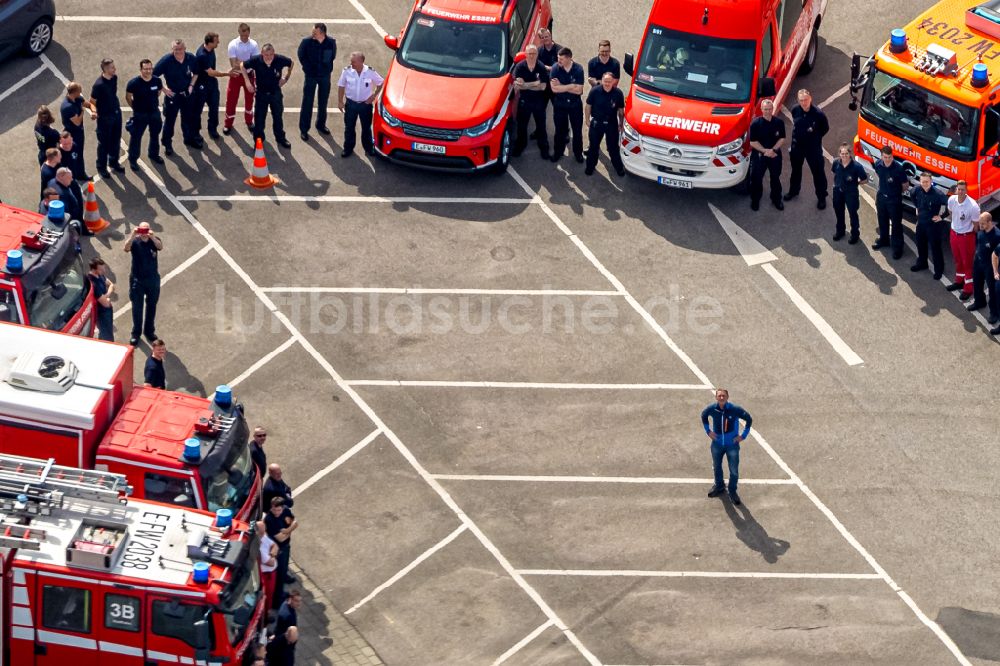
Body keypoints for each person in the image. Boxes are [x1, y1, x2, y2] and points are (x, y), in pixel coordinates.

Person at [700, 388, 752, 506]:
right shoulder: (712, 409)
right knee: (716, 466)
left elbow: (749, 419)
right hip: (717, 444)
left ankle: (732, 491)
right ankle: (719, 486)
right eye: (719, 396)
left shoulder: (735, 409)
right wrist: (708, 431)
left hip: (732, 445)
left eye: (723, 396)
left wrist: (743, 436)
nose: (721, 398)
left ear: (727, 397)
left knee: (733, 470)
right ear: (716, 398)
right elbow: (704, 415)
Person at [242, 43, 294, 148]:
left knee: (278, 117)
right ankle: (258, 140)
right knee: (259, 119)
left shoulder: (279, 59)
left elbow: (291, 63)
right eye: (266, 55)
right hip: (261, 94)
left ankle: (280, 138)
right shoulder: (256, 60)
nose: (269, 57)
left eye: (271, 54)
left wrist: (286, 77)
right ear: (262, 54)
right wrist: (247, 82)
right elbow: (242, 66)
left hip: (275, 93)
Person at [784, 89, 829, 209]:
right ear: (798, 101)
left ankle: (821, 197)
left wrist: (814, 138)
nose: (804, 103)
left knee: (818, 173)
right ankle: (793, 191)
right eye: (801, 100)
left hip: (813, 149)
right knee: (795, 171)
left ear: (810, 99)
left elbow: (825, 128)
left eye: (806, 100)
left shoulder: (819, 114)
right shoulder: (795, 110)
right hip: (797, 147)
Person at [153, 39, 199, 154]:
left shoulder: (190, 58)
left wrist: (191, 86)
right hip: (173, 95)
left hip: (186, 94)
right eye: (175, 50)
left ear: (185, 48)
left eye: (180, 49)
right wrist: (163, 89)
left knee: (188, 118)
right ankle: (167, 143)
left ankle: (188, 139)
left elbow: (196, 73)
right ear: (172, 49)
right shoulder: (166, 61)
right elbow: (153, 75)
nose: (178, 52)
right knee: (170, 121)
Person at [336, 51, 383, 157]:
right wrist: (340, 101)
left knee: (366, 128)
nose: (351, 64)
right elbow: (341, 86)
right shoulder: (347, 71)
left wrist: (374, 96)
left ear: (361, 61)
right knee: (349, 128)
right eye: (351, 61)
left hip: (365, 105)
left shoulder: (370, 72)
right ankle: (348, 148)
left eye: (354, 62)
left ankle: (368, 148)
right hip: (351, 104)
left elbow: (380, 83)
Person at [123, 221, 162, 346]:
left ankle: (149, 331)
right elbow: (126, 248)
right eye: (142, 230)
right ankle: (136, 333)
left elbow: (160, 246)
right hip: (137, 280)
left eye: (146, 230)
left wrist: (152, 236)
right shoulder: (135, 241)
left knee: (152, 306)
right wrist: (133, 234)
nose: (144, 233)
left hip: (152, 279)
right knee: (137, 308)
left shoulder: (153, 240)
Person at [298, 22, 337, 141]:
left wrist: (326, 69)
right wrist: (308, 69)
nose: (312, 34)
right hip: (311, 76)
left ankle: (320, 124)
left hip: (324, 76)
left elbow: (332, 56)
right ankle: (304, 129)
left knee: (323, 101)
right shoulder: (306, 42)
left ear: (322, 33)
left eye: (315, 32)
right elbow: (301, 55)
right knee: (307, 102)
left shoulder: (331, 42)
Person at [512, 45, 550, 160]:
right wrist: (534, 84)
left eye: (534, 53)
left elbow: (543, 87)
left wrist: (526, 85)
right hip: (525, 101)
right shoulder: (520, 67)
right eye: (529, 54)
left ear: (537, 55)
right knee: (522, 126)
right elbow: (518, 86)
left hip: (539, 101)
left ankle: (544, 148)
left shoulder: (541, 67)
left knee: (541, 126)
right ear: (526, 55)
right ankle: (520, 146)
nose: (532, 56)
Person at [125, 59, 165, 169]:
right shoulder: (133, 83)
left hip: (154, 112)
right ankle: (133, 159)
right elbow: (128, 97)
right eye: (145, 69)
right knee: (136, 137)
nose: (148, 71)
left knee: (155, 134)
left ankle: (153, 154)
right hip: (140, 114)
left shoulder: (157, 81)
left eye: (150, 69)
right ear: (140, 70)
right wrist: (135, 108)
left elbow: (158, 92)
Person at [584, 72, 626, 176]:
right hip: (597, 123)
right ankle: (590, 167)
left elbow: (621, 111)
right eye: (605, 81)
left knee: (613, 148)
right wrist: (587, 120)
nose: (607, 83)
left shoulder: (618, 93)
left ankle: (619, 168)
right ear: (602, 81)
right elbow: (588, 106)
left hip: (611, 124)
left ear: (613, 82)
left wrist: (621, 124)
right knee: (593, 147)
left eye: (609, 81)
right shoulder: (595, 91)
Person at [908, 172, 949, 279]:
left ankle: (939, 270)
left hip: (933, 225)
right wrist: (917, 207)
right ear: (920, 181)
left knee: (935, 248)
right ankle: (922, 263)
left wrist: (942, 216)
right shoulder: (916, 190)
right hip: (921, 223)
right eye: (922, 181)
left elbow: (950, 205)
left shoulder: (938, 194)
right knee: (921, 245)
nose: (925, 183)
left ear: (931, 182)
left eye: (927, 181)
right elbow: (912, 195)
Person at [748, 98, 785, 211]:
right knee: (756, 179)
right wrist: (765, 151)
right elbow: (753, 142)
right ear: (761, 109)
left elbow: (782, 138)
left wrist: (773, 150)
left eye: (769, 109)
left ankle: (776, 199)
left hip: (775, 154)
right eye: (765, 109)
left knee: (775, 178)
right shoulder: (755, 124)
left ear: (773, 109)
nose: (768, 111)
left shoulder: (779, 122)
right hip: (759, 156)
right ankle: (755, 200)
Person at [90, 58, 125, 178]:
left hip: (116, 114)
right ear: (105, 69)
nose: (114, 69)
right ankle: (101, 166)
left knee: (116, 139)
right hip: (105, 118)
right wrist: (94, 112)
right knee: (104, 143)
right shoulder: (98, 85)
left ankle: (114, 161)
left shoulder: (114, 78)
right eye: (112, 67)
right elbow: (92, 101)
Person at [945, 180, 980, 300]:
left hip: (966, 237)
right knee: (958, 259)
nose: (960, 192)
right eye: (959, 189)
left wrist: (970, 235)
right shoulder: (951, 200)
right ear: (956, 189)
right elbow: (950, 213)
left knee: (967, 263)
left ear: (966, 190)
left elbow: (976, 225)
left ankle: (968, 288)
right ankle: (959, 281)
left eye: (963, 190)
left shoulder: (973, 206)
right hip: (954, 234)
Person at [550, 47, 585, 164]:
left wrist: (563, 86)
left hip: (575, 105)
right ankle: (558, 152)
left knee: (577, 131)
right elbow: (554, 89)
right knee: (559, 130)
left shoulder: (578, 69)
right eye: (558, 58)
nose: (558, 61)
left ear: (569, 58)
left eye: (561, 59)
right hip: (560, 105)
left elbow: (579, 91)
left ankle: (578, 153)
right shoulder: (555, 68)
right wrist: (571, 86)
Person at [224, 23, 260, 135]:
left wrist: (240, 63)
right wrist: (246, 64)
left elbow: (254, 63)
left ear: (249, 33)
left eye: (247, 35)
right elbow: (233, 64)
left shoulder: (253, 44)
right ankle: (228, 123)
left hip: (249, 75)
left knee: (250, 99)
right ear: (239, 33)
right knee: (231, 99)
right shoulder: (233, 44)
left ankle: (249, 120)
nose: (245, 37)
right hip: (235, 75)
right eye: (243, 35)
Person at [872, 146, 907, 258]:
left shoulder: (898, 168)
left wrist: (894, 192)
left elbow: (905, 185)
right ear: (881, 156)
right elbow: (879, 175)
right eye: (885, 157)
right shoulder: (878, 164)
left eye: (889, 157)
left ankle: (897, 248)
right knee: (882, 220)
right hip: (882, 197)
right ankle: (884, 240)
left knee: (896, 224)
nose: (887, 159)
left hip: (894, 199)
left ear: (892, 156)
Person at [264, 497, 298, 609]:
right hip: (278, 551)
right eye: (274, 510)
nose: (277, 513)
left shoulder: (286, 510)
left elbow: (295, 522)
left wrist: (287, 530)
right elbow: (280, 539)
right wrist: (291, 529)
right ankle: (276, 602)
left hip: (286, 547)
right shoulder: (269, 519)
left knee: (283, 573)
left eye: (279, 510)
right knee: (279, 576)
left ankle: (280, 594)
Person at [193, 33, 228, 141]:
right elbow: (211, 72)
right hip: (202, 86)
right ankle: (195, 132)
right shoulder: (202, 55)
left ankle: (212, 128)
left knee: (214, 108)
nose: (218, 42)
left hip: (212, 84)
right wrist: (226, 74)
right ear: (210, 43)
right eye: (216, 41)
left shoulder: (210, 49)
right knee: (197, 110)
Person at [830, 143, 867, 243]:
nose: (844, 156)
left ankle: (855, 234)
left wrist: (856, 183)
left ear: (850, 154)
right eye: (842, 154)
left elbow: (865, 179)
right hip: (838, 191)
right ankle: (840, 231)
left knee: (853, 214)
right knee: (839, 212)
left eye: (846, 154)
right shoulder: (836, 162)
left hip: (851, 193)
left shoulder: (857, 166)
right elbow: (834, 172)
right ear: (839, 154)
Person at [969, 212, 1000, 324]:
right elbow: (978, 243)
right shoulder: (981, 231)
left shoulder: (997, 236)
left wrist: (996, 269)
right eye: (980, 223)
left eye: (983, 224)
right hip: (978, 262)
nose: (980, 226)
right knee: (977, 284)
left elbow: (997, 254)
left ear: (989, 222)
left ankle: (994, 313)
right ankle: (979, 302)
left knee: (992, 290)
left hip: (989, 266)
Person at [60, 82, 93, 172]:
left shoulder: (77, 98)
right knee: (75, 154)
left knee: (79, 153)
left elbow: (88, 104)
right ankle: (78, 174)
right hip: (73, 133)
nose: (81, 93)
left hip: (79, 131)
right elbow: (77, 122)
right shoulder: (67, 107)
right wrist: (82, 111)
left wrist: (93, 111)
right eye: (79, 91)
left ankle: (79, 172)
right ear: (74, 92)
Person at [267, 590, 301, 666]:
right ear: (290, 599)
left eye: (299, 601)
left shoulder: (285, 604)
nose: (299, 603)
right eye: (296, 601)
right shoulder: (287, 616)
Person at [87, 258, 115, 342]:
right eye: (101, 269)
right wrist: (107, 298)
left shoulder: (99, 275)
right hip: (102, 314)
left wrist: (106, 295)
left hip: (106, 311)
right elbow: (106, 304)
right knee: (108, 337)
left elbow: (111, 285)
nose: (104, 270)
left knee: (104, 333)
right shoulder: (93, 283)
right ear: (94, 269)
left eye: (104, 268)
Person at [257, 521, 279, 610]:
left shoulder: (263, 537)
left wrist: (272, 553)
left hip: (270, 573)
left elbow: (275, 545)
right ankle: (266, 616)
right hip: (267, 576)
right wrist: (273, 555)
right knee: (267, 596)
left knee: (270, 595)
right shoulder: (259, 549)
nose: (264, 533)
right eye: (262, 532)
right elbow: (271, 563)